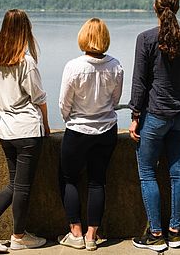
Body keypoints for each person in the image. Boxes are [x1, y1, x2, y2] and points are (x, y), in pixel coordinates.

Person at [0, 9, 50, 252]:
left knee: (14, 184)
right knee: (21, 187)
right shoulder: (26, 61)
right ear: (25, 30)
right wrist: (46, 125)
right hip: (27, 130)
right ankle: (16, 236)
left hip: (6, 131)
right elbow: (38, 98)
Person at [128, 0, 180, 252]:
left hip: (154, 116)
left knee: (147, 173)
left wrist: (135, 116)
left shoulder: (145, 39)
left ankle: (156, 235)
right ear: (176, 8)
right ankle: (175, 233)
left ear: (154, 9)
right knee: (178, 172)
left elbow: (140, 82)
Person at [57, 18, 124, 251]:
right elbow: (115, 101)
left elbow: (63, 104)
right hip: (106, 130)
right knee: (98, 181)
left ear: (83, 37)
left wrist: (70, 119)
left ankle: (75, 231)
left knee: (69, 178)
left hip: (78, 130)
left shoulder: (73, 66)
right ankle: (92, 236)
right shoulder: (116, 65)